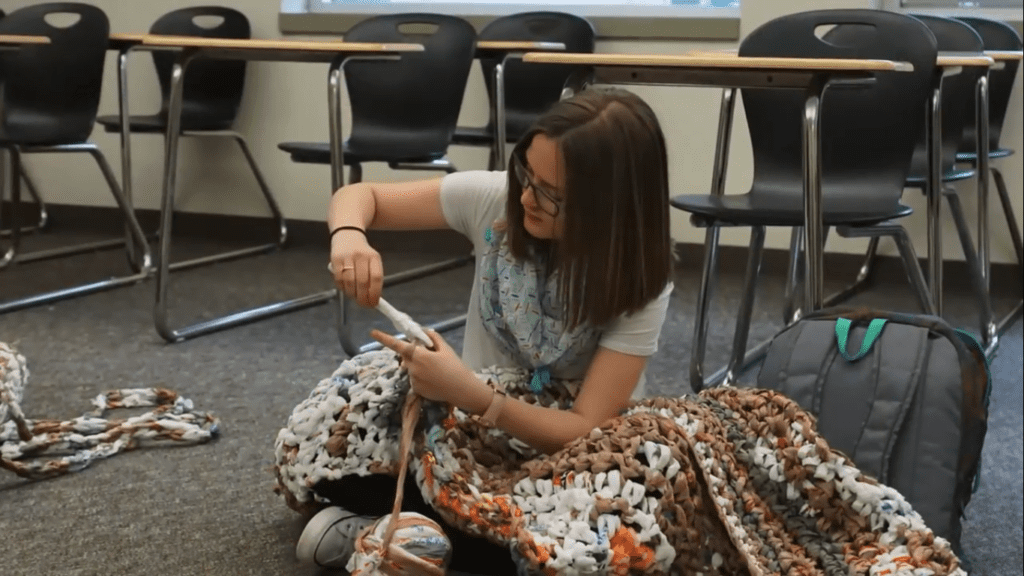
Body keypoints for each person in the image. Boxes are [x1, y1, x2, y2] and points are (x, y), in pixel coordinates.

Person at [295, 87, 675, 572]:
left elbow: (585, 427)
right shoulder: (495, 199)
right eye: (526, 175)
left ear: (610, 206)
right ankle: (423, 530)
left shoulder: (640, 276)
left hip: (568, 449)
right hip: (474, 438)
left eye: (550, 194)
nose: (525, 197)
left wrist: (477, 396)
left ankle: (402, 530)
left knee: (599, 533)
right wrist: (348, 236)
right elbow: (360, 196)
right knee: (350, 437)